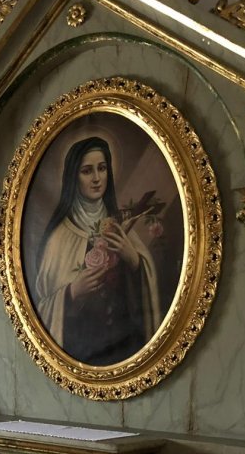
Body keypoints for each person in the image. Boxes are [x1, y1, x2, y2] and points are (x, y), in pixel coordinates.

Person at [34, 137, 160, 365]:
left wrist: (134, 261)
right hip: (82, 349)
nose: (96, 178)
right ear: (73, 177)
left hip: (127, 347)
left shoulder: (120, 226)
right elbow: (41, 306)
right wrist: (71, 292)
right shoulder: (59, 237)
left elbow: (145, 292)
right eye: (87, 171)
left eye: (102, 168)